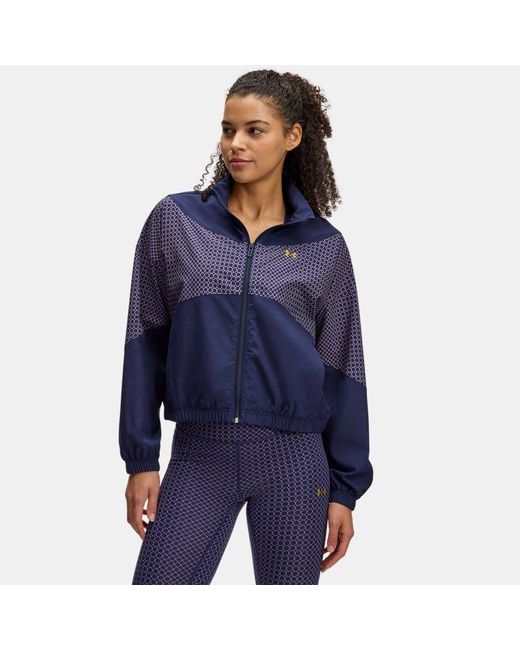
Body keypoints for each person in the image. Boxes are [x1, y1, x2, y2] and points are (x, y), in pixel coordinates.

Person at [119, 69, 374, 585]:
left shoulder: (324, 247)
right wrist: (141, 457)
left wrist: (345, 491)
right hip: (199, 455)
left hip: (294, 464)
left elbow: (343, 367)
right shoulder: (178, 221)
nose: (236, 143)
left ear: (292, 136)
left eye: (255, 130)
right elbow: (144, 341)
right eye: (228, 129)